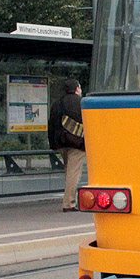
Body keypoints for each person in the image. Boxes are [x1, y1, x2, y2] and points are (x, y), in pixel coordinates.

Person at [48, 79, 86, 212]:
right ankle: (69, 203)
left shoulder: (57, 104)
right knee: (73, 172)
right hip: (78, 143)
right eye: (80, 88)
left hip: (61, 142)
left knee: (69, 171)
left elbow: (51, 125)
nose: (81, 90)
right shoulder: (80, 103)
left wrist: (53, 143)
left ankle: (68, 198)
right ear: (76, 89)